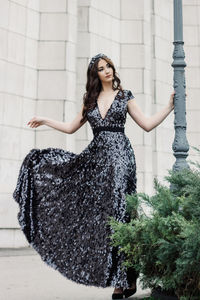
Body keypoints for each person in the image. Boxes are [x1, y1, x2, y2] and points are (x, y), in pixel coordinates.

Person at [13, 53, 175, 300]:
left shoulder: (125, 96)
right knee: (108, 218)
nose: (107, 70)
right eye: (101, 68)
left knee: (121, 213)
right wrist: (45, 119)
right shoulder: (89, 101)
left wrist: (168, 107)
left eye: (109, 66)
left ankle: (122, 282)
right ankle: (126, 278)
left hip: (121, 159)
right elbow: (70, 128)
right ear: (95, 74)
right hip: (96, 162)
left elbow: (147, 124)